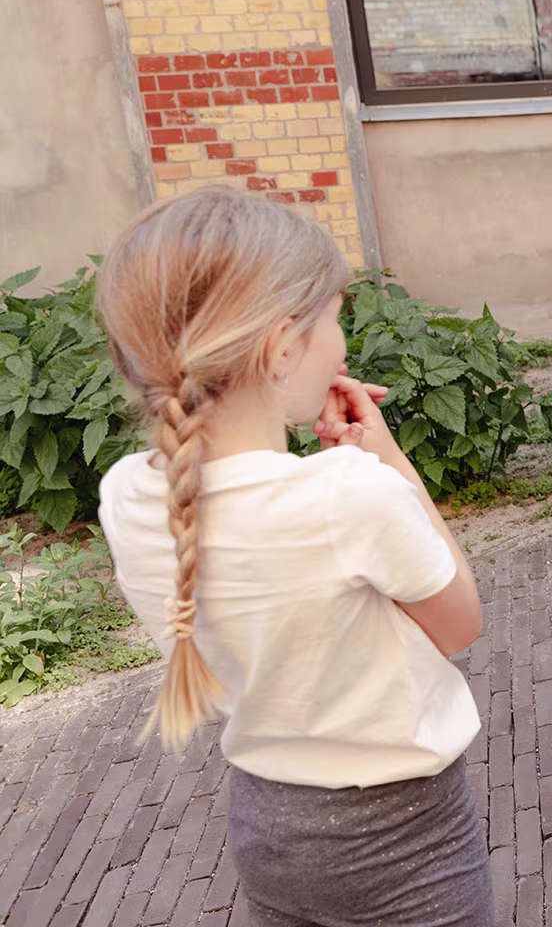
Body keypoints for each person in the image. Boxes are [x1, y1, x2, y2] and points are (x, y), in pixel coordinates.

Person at [95, 187, 490, 926]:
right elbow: (459, 621)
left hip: (266, 818)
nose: (341, 346)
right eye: (334, 323)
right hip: (403, 833)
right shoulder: (347, 494)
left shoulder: (127, 496)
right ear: (281, 348)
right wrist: (386, 459)